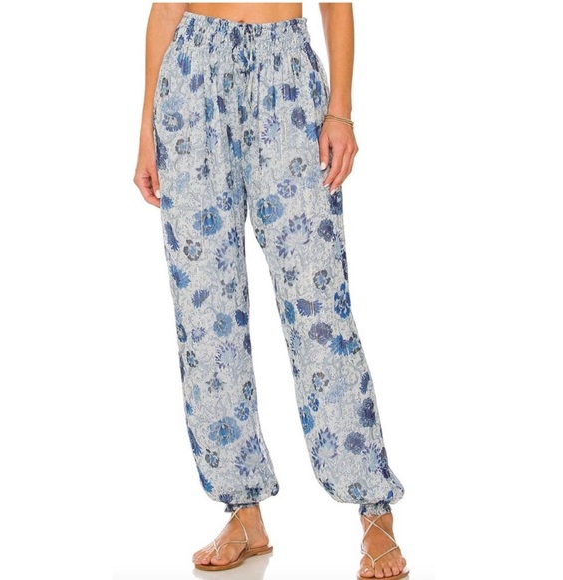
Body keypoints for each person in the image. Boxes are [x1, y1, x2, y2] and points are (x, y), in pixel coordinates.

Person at [134, 3, 409, 578]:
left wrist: (340, 112)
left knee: (320, 309)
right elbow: (165, 10)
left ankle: (374, 507)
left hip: (285, 77)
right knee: (205, 313)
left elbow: (336, 4)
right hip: (191, 81)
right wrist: (145, 136)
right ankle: (243, 511)